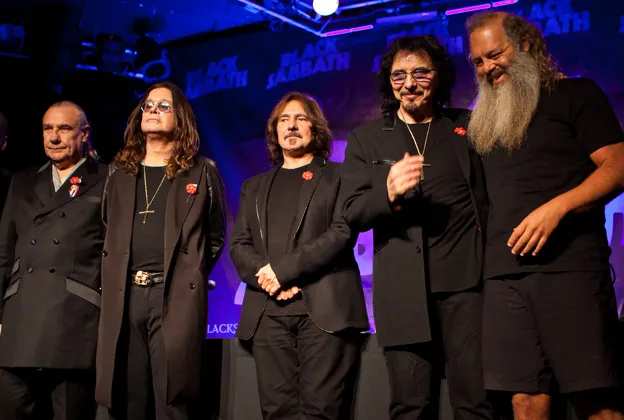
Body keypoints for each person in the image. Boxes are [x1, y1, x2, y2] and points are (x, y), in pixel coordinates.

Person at [466, 11, 624, 419]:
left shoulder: (576, 95)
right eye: (478, 61)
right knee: (525, 398)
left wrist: (557, 208)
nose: (486, 68)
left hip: (569, 270)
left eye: (495, 54)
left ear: (527, 46)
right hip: (504, 276)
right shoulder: (483, 122)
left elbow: (618, 165)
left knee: (595, 398)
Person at [341, 36, 492, 419]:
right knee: (410, 406)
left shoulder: (468, 127)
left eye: (419, 73)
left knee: (475, 402)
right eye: (398, 76)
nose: (409, 83)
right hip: (402, 292)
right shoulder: (368, 139)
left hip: (466, 286)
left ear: (437, 75)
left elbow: (492, 198)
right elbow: (352, 212)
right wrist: (387, 191)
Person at [230, 91, 369, 420]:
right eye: (283, 120)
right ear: (274, 131)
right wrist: (269, 280)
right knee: (277, 412)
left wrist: (283, 272)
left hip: (324, 312)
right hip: (268, 314)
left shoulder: (339, 175)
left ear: (316, 129)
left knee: (321, 412)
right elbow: (239, 245)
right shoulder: (254, 186)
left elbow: (341, 232)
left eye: (300, 118)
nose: (291, 126)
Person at [95, 81, 226, 420]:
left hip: (173, 296)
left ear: (180, 117)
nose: (152, 110)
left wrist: (189, 274)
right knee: (128, 398)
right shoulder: (118, 172)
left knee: (173, 400)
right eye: (148, 105)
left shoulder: (201, 170)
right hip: (125, 297)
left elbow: (214, 237)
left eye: (163, 106)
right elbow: (106, 228)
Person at [0, 101, 106, 419]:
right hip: (20, 320)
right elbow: (4, 252)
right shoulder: (23, 180)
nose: (54, 137)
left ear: (84, 133)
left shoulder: (108, 178)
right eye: (48, 129)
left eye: (64, 128)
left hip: (74, 320)